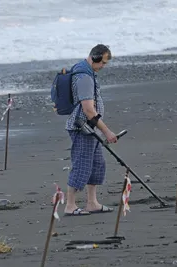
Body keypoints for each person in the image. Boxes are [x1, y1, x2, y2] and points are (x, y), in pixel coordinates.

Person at [64, 44, 118, 216]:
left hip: (91, 128)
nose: (103, 66)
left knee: (97, 164)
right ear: (94, 58)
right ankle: (70, 206)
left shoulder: (87, 72)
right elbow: (88, 110)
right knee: (81, 165)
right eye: (102, 62)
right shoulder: (84, 77)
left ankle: (92, 202)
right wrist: (107, 131)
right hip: (82, 128)